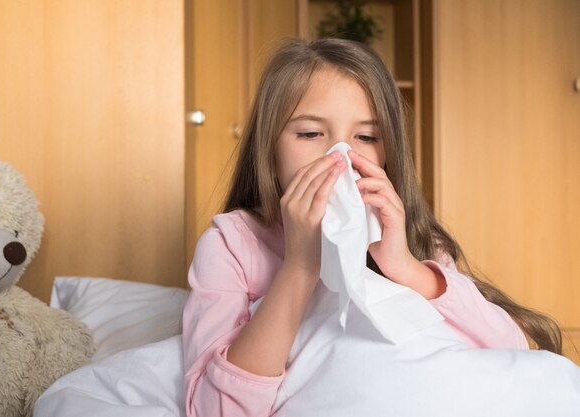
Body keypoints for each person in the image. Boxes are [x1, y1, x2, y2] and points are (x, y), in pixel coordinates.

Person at [182, 38, 562, 417]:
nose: (341, 157)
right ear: (269, 148)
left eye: (365, 137)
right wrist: (299, 266)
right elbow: (215, 410)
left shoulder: (412, 238)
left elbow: (509, 348)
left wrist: (404, 266)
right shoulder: (232, 243)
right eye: (311, 134)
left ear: (388, 152)